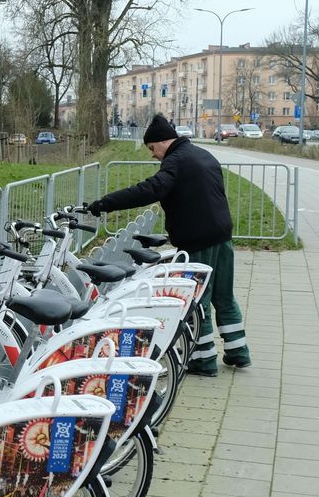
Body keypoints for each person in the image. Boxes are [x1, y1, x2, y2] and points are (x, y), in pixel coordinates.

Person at [87, 114, 251, 376]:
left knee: (196, 300)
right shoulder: (203, 155)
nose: (153, 155)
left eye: (153, 148)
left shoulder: (175, 161)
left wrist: (106, 203)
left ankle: (203, 360)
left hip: (197, 239)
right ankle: (238, 352)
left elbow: (149, 190)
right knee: (224, 295)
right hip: (222, 236)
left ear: (164, 141)